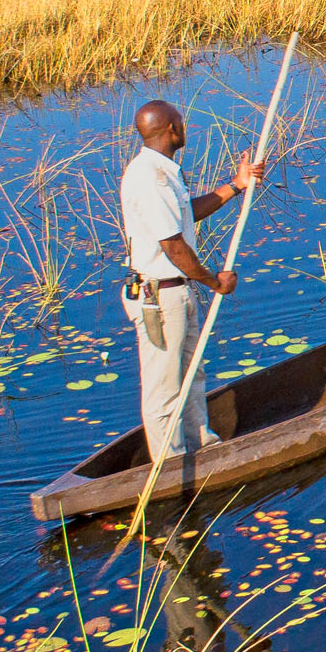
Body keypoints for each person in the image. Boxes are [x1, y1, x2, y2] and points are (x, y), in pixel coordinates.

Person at [119, 100, 268, 464]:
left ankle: (202, 447)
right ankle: (170, 466)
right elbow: (172, 245)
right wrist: (213, 281)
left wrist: (236, 185)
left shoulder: (164, 169)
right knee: (164, 391)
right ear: (171, 129)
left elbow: (186, 214)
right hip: (160, 297)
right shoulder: (148, 177)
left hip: (176, 292)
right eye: (181, 122)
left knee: (191, 376)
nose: (185, 128)